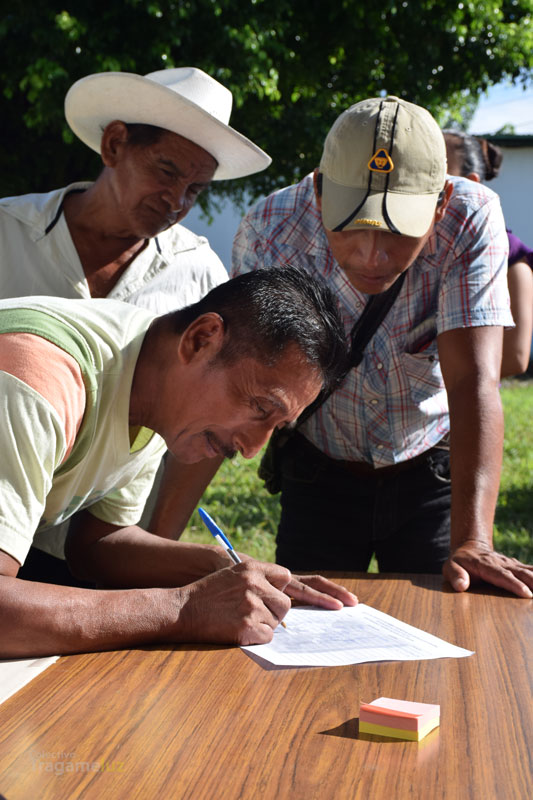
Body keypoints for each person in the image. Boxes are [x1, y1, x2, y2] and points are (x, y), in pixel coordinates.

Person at [230, 96, 533, 599]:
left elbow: (471, 379)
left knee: (443, 632)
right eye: (351, 225)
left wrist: (474, 539)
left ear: (440, 204)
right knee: (307, 632)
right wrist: (157, 547)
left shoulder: (470, 218)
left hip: (430, 469)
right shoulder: (272, 231)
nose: (373, 256)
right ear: (320, 193)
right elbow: (237, 381)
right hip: (318, 469)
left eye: (398, 232)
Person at [0, 265, 356, 659]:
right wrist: (185, 609)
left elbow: (95, 546)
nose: (253, 448)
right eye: (259, 407)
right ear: (201, 339)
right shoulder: (36, 381)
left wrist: (228, 571)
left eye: (278, 426)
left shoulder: (154, 373)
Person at [0, 66, 271, 581]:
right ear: (115, 144)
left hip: (91, 546)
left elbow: (189, 418)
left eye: (196, 189)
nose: (176, 201)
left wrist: (160, 548)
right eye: (166, 172)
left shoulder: (201, 276)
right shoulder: (6, 232)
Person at [443, 129, 533, 377]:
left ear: (470, 184)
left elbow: (516, 357)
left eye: (439, 167)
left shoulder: (512, 258)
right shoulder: (406, 247)